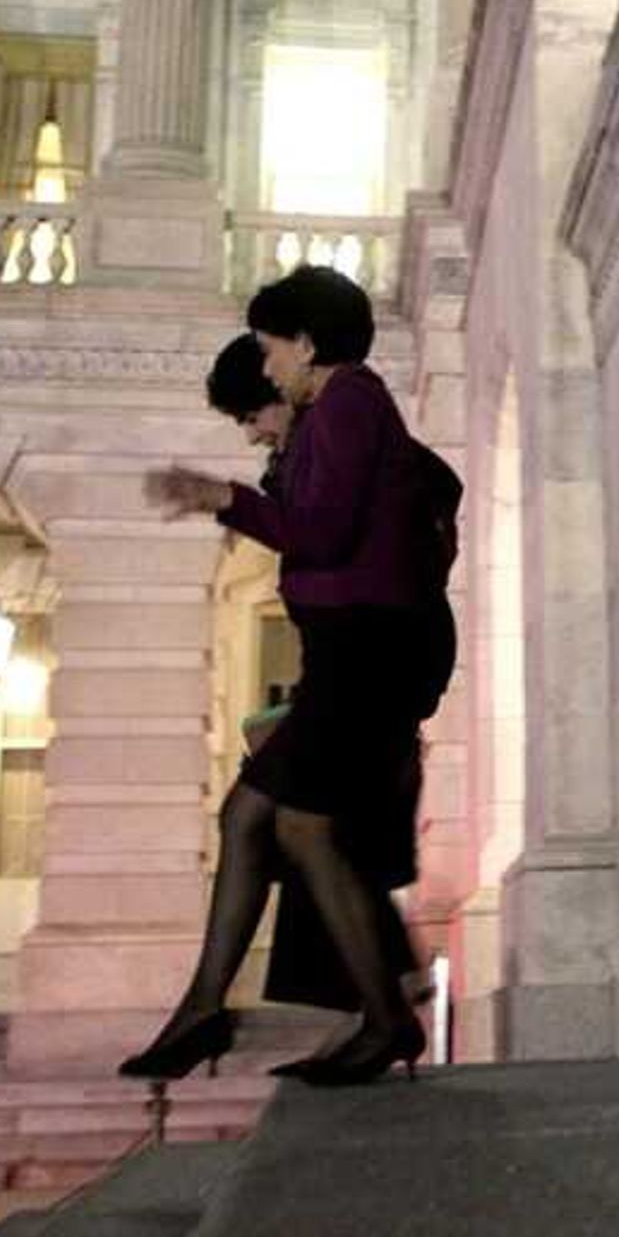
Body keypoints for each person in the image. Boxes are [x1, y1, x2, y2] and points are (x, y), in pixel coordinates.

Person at [126, 268, 460, 1088]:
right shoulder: (335, 414)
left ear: (306, 343)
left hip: (369, 653)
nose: (267, 366)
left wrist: (222, 497)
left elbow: (322, 532)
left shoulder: (348, 403)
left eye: (272, 349)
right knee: (263, 819)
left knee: (282, 824)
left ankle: (359, 1018)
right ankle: (226, 1011)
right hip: (353, 653)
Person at [202, 334, 424, 1028]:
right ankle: (382, 1001)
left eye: (253, 414)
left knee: (286, 822)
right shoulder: (302, 459)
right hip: (348, 674)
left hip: (366, 673)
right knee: (306, 831)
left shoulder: (341, 435)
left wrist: (231, 500)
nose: (252, 433)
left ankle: (384, 1005)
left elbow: (330, 545)